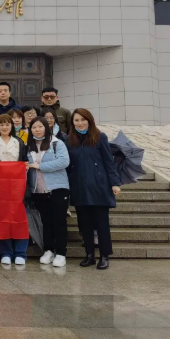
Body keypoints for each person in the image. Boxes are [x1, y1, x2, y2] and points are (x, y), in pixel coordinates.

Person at [66, 108, 121, 270]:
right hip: (79, 187)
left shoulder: (100, 137)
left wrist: (115, 183)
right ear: (72, 123)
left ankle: (104, 256)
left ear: (89, 120)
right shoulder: (69, 140)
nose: (80, 123)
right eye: (76, 120)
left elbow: (109, 162)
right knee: (85, 224)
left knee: (102, 224)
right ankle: (89, 255)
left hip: (99, 186)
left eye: (83, 119)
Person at [26, 117, 71, 268]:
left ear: (46, 127)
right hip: (38, 190)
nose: (37, 129)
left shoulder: (57, 143)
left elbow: (64, 161)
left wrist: (40, 166)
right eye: (34, 127)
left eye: (40, 126)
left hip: (57, 188)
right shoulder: (29, 146)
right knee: (45, 222)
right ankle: (48, 250)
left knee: (59, 221)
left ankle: (61, 253)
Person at [0, 114, 29, 266]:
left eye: (7, 124)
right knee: (2, 219)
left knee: (19, 219)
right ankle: (5, 252)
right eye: (1, 125)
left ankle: (21, 252)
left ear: (12, 126)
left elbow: (24, 160)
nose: (4, 127)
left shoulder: (19, 142)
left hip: (18, 186)